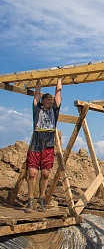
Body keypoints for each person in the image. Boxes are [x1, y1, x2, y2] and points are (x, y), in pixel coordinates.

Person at [25, 78, 62, 212]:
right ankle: (30, 200)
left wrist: (59, 78)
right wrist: (39, 79)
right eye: (47, 99)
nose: (50, 101)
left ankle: (41, 199)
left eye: (51, 100)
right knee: (32, 172)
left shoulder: (54, 111)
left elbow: (58, 94)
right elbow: (36, 93)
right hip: (35, 145)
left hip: (48, 146)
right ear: (42, 101)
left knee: (45, 174)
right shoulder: (37, 110)